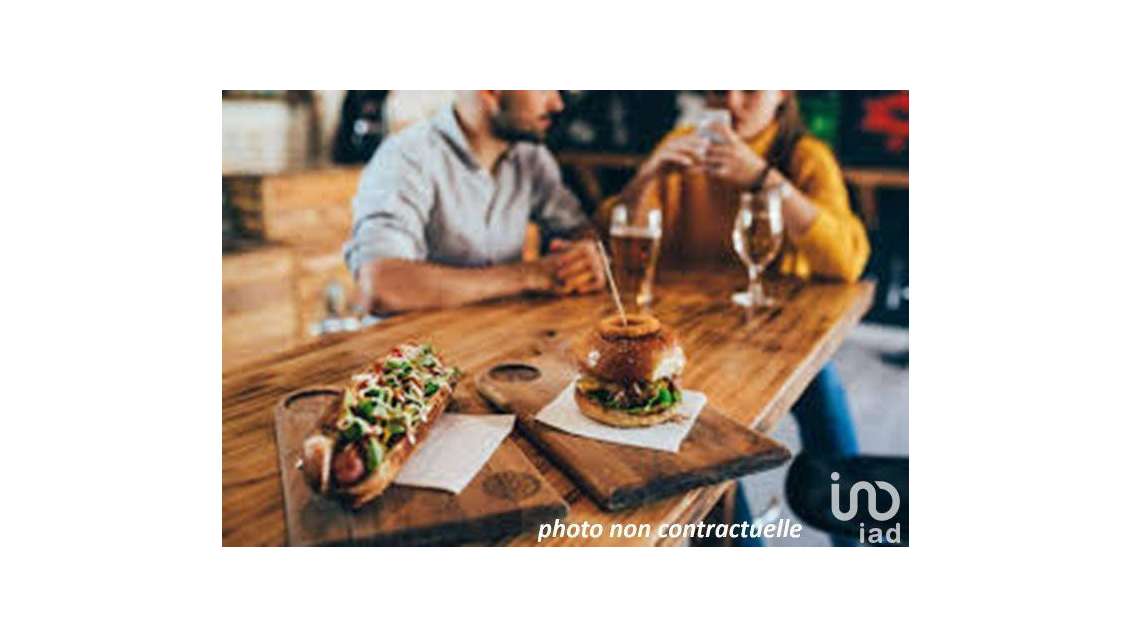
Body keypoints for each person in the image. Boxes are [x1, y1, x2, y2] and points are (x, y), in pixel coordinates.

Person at [605, 90, 869, 545]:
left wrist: (763, 177)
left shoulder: (803, 156)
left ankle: (859, 528)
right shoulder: (683, 145)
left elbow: (847, 260)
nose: (731, 99)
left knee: (817, 378)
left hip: (775, 331)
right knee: (703, 444)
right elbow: (615, 239)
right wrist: (649, 174)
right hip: (694, 331)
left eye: (750, 86)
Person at [345, 90, 605, 315]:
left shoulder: (530, 156)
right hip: (409, 358)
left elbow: (578, 230)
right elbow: (379, 286)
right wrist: (533, 275)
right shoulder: (406, 157)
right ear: (491, 92)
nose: (557, 104)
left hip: (494, 342)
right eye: (543, 88)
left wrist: (581, 258)